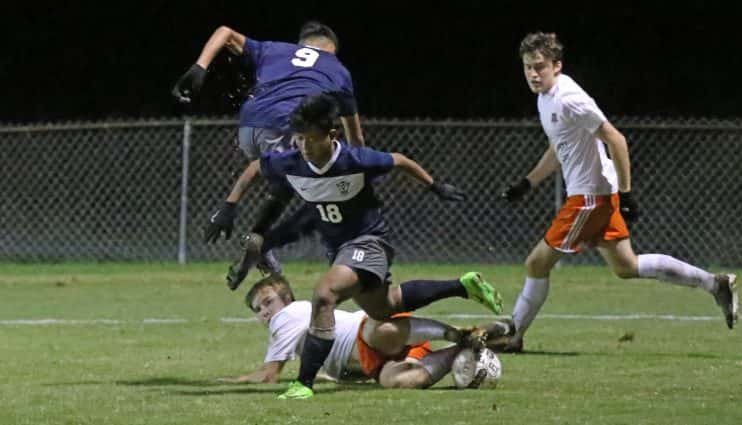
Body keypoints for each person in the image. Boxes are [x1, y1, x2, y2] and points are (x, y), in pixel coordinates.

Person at [206, 93, 505, 399]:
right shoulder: (293, 161)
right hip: (340, 250)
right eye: (299, 139)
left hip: (369, 242)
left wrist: (434, 186)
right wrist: (230, 207)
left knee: (324, 294)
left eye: (311, 139)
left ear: (332, 135)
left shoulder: (355, 160)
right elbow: (255, 167)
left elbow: (399, 160)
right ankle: (463, 286)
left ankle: (304, 383)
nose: (304, 147)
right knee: (384, 306)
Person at [500, 32, 739, 353]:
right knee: (626, 266)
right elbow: (559, 148)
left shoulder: (570, 98)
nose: (532, 73)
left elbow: (616, 139)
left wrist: (626, 194)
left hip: (589, 197)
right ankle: (715, 283)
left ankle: (513, 337)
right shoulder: (546, 98)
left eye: (539, 67)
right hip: (595, 194)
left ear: (557, 66)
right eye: (527, 67)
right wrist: (527, 183)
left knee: (536, 264)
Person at [172, 21, 365, 277]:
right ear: (331, 49)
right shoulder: (338, 70)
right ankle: (264, 242)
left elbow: (225, 32)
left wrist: (199, 67)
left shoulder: (275, 49)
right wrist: (359, 169)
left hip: (249, 127)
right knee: (319, 185)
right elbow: (356, 137)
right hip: (285, 122)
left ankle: (259, 240)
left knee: (284, 179)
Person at [219, 274, 514, 388]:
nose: (265, 312)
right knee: (395, 381)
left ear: (287, 300)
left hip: (371, 331)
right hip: (376, 357)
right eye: (259, 309)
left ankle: (458, 336)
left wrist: (231, 381)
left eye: (267, 302)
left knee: (380, 331)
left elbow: (269, 374)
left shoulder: (286, 317)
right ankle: (463, 349)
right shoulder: (297, 324)